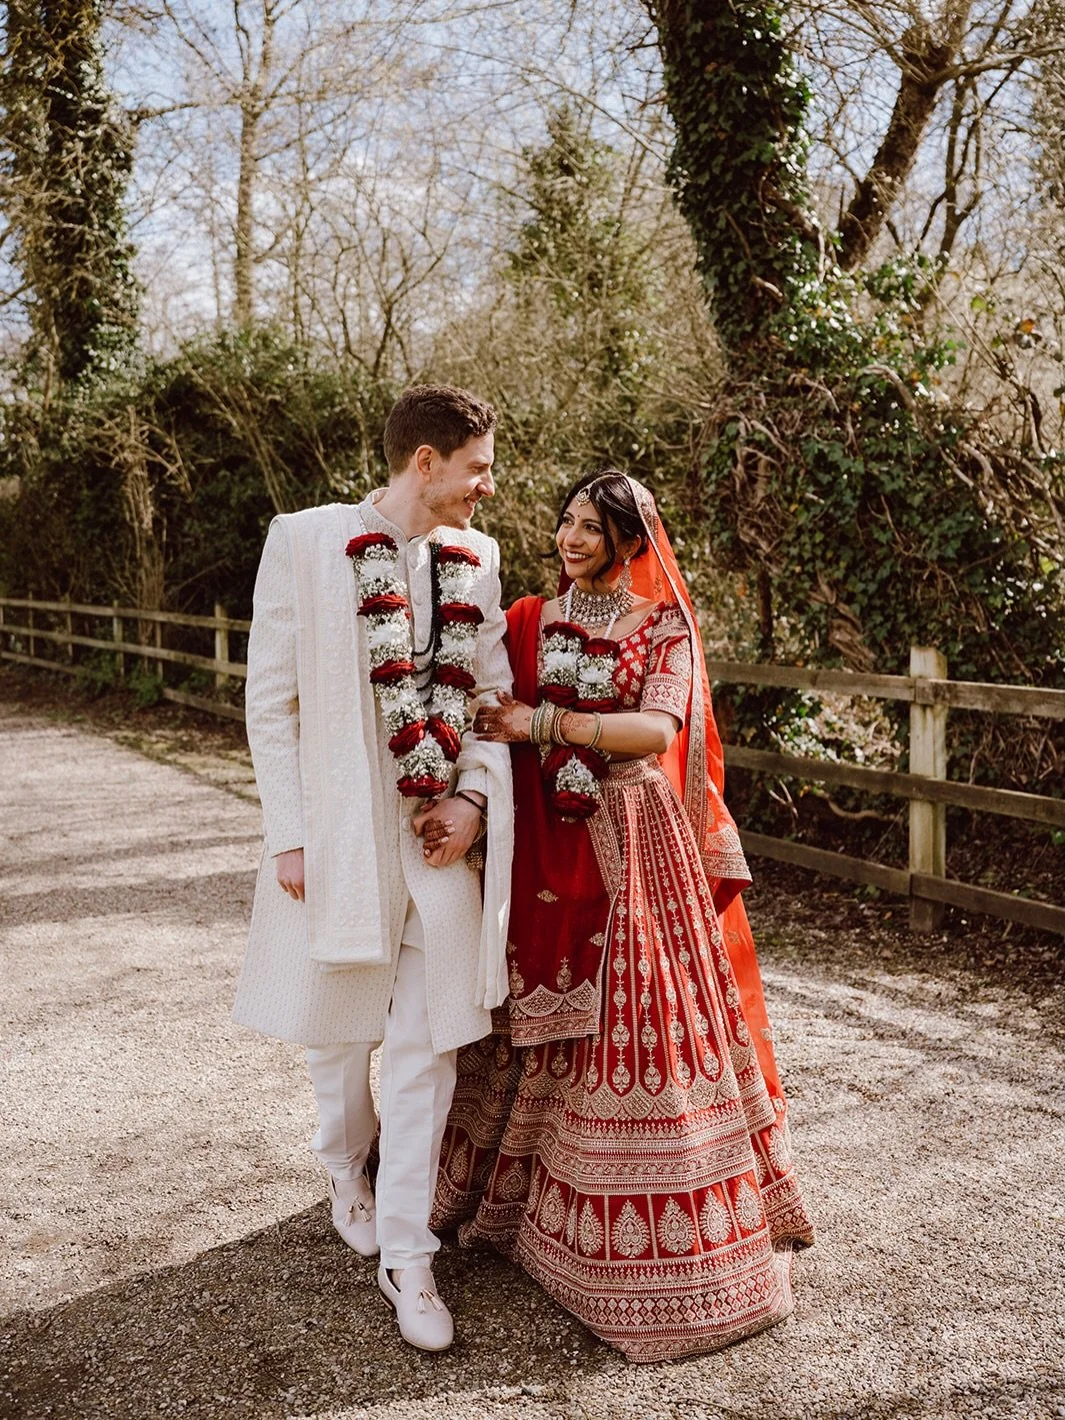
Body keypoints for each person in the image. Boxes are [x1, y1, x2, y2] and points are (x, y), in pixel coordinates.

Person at [431, 469, 814, 1363]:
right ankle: (511, 1199)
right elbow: (479, 700)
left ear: (630, 543)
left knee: (641, 1014)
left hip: (634, 836)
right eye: (565, 522)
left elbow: (655, 731)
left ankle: (655, 1242)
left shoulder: (662, 624)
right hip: (540, 834)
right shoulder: (526, 619)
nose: (570, 539)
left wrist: (546, 726)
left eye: (591, 529)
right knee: (530, 1006)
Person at [233, 384, 514, 1353]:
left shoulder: (478, 559)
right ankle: (343, 1169)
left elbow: (491, 703)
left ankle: (408, 1253)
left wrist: (472, 801)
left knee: (428, 1046)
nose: (487, 486)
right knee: (339, 1033)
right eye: (477, 467)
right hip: (341, 834)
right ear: (425, 461)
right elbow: (271, 702)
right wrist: (291, 834)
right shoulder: (304, 539)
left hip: (435, 845)